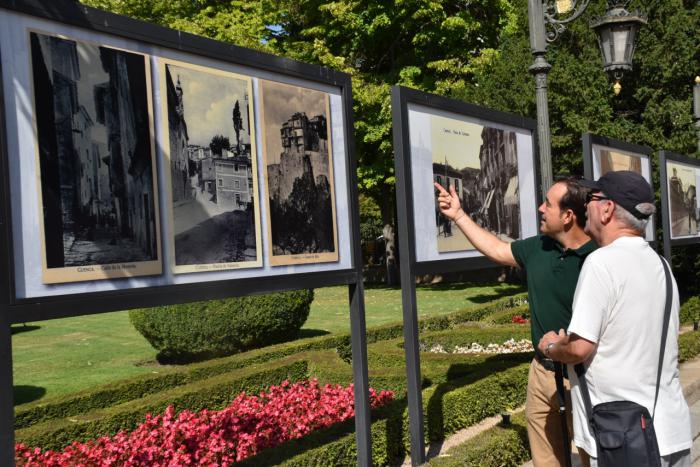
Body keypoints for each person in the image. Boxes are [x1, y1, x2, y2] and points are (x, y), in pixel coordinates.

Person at [435, 178, 595, 466]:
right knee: (545, 459)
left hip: (584, 376)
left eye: (548, 203)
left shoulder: (598, 259)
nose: (540, 208)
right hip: (542, 372)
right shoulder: (539, 248)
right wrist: (458, 215)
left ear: (569, 216)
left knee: (592, 457)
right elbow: (497, 249)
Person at [537, 171, 692, 466]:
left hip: (623, 439)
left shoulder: (601, 263)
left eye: (592, 200)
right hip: (670, 431)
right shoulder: (660, 264)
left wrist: (551, 347)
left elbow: (580, 348)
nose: (586, 207)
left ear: (607, 209)